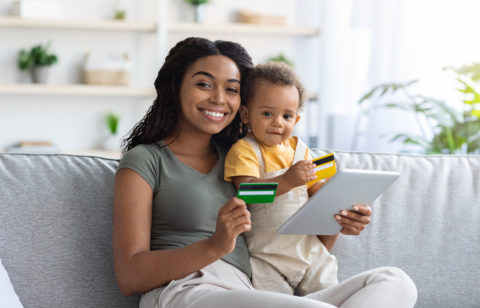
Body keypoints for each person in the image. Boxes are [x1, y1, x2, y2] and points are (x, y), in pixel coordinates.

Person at [113, 36, 418, 308]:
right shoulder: (146, 161)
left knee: (394, 281)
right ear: (175, 86)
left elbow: (289, 229)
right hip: (186, 291)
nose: (219, 99)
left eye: (231, 89)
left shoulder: (249, 155)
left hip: (251, 289)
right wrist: (214, 246)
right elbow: (130, 276)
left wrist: (336, 218)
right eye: (204, 84)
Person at [224, 62, 338, 295]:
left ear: (296, 120)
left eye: (287, 116)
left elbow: (319, 192)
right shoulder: (245, 150)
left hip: (309, 251)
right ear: (245, 114)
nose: (278, 122)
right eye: (267, 113)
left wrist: (341, 200)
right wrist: (288, 180)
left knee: (330, 295)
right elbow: (246, 192)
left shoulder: (303, 151)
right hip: (268, 257)